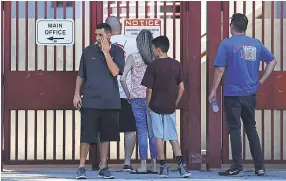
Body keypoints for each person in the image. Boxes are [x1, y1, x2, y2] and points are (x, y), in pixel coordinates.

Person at [208, 13, 277, 176]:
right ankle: (260, 167)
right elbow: (272, 61)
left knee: (234, 129)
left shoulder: (226, 44)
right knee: (251, 129)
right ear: (245, 27)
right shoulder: (255, 44)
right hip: (250, 93)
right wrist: (260, 81)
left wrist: (213, 91)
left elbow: (219, 69)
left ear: (232, 26)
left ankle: (237, 167)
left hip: (232, 93)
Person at [73, 23, 125, 179]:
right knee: (86, 135)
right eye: (96, 35)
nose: (97, 38)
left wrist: (106, 53)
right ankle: (82, 167)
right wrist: (76, 94)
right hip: (90, 100)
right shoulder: (88, 51)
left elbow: (116, 72)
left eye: (100, 35)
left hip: (110, 101)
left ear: (109, 35)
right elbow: (81, 74)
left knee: (106, 136)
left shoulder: (117, 51)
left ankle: (103, 166)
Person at [141, 35, 191, 178]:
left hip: (155, 107)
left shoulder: (153, 65)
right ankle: (182, 167)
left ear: (158, 50)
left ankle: (163, 167)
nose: (152, 52)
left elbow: (149, 89)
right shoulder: (176, 64)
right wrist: (174, 103)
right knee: (172, 136)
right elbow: (181, 88)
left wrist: (148, 104)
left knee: (158, 136)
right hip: (170, 107)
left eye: (153, 49)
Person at [120, 30, 158, 174]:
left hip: (137, 99)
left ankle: (143, 165)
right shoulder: (155, 58)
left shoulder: (133, 57)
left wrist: (129, 94)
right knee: (153, 132)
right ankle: (154, 165)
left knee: (141, 131)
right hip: (153, 98)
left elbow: (122, 78)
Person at [105, 16, 137, 171]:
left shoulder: (99, 44)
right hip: (127, 92)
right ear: (121, 26)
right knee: (130, 128)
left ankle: (103, 163)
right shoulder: (133, 42)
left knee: (103, 128)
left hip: (106, 93)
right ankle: (127, 162)